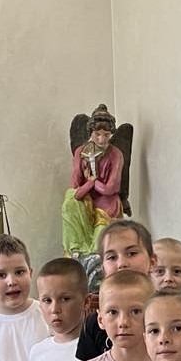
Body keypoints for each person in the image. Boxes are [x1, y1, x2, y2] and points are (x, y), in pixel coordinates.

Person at [76, 219, 156, 361]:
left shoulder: (170, 312)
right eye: (112, 257)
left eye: (132, 253)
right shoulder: (93, 325)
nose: (122, 263)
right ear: (103, 267)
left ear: (152, 261)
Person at [63, 104, 124, 259]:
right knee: (69, 203)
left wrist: (94, 181)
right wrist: (89, 183)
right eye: (97, 134)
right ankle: (76, 249)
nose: (102, 139)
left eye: (106, 135)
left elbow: (110, 188)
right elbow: (75, 187)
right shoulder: (81, 152)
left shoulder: (116, 154)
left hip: (107, 202)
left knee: (99, 241)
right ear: (91, 132)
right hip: (86, 196)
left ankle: (95, 259)